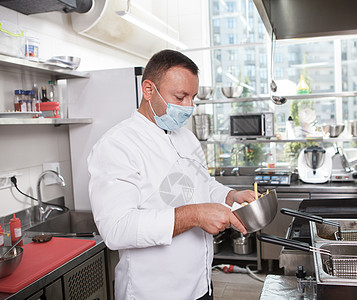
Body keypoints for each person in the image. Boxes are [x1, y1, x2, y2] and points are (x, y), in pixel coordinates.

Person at [87, 49, 256, 300]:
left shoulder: (186, 137)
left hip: (200, 285)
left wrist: (230, 195)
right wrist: (195, 215)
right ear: (148, 90)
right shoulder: (116, 145)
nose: (188, 107)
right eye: (180, 97)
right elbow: (116, 228)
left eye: (192, 97)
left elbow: (202, 184)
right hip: (154, 292)